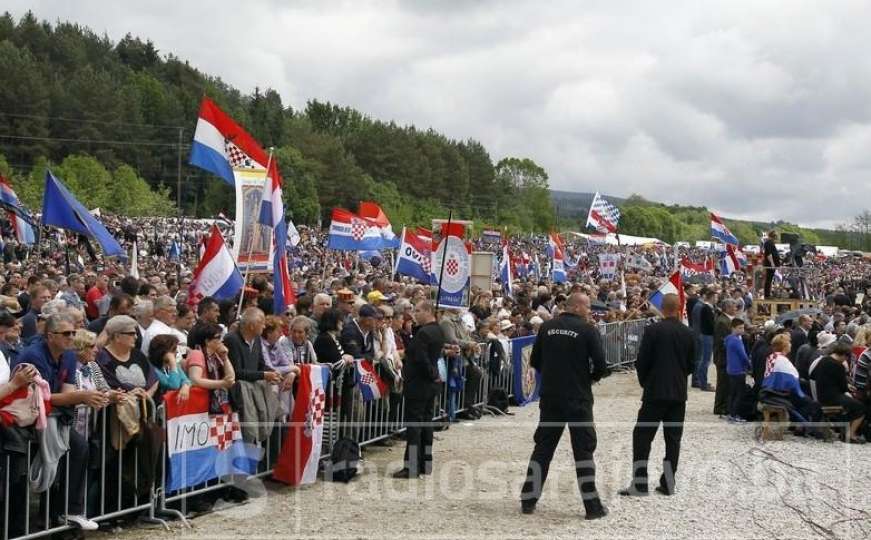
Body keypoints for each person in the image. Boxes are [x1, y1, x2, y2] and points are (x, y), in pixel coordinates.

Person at [11, 313, 106, 531]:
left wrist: (83, 396)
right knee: (68, 453)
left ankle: (68, 511)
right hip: (26, 418)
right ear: (50, 336)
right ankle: (40, 520)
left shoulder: (69, 356)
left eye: (73, 332)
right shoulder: (33, 355)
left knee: (79, 448)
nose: (72, 337)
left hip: (54, 416)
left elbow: (66, 391)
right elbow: (40, 397)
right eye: (66, 333)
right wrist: (81, 397)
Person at [519, 293, 610, 519]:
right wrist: (588, 378)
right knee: (583, 451)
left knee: (543, 448)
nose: (590, 311)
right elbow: (601, 364)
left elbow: (535, 361)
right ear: (577, 307)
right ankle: (592, 507)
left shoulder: (547, 327)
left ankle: (528, 499)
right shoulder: (588, 330)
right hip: (578, 398)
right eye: (588, 307)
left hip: (551, 397)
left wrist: (553, 375)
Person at [619, 293, 695, 497]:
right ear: (679, 308)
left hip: (654, 391)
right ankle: (668, 483)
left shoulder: (653, 331)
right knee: (673, 440)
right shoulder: (688, 333)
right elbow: (691, 365)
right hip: (678, 393)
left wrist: (646, 382)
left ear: (662, 308)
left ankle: (640, 482)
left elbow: (642, 361)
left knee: (642, 436)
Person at [393, 300, 445, 479]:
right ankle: (425, 463)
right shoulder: (437, 330)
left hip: (419, 384)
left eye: (418, 310)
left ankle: (412, 466)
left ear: (428, 311)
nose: (415, 314)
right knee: (427, 423)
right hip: (429, 385)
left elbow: (420, 358)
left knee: (415, 426)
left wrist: (431, 374)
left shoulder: (424, 333)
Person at [809, 342, 866, 443]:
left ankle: (844, 427)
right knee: (860, 408)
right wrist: (849, 387)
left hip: (821, 395)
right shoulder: (838, 366)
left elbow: (813, 376)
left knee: (852, 405)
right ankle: (850, 435)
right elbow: (843, 388)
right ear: (844, 355)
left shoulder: (823, 360)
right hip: (833, 397)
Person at [712, 300, 736, 416]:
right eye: (733, 306)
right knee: (722, 383)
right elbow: (722, 341)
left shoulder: (727, 320)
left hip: (726, 357)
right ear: (727, 308)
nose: (735, 308)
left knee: (725, 382)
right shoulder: (722, 322)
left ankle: (725, 405)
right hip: (722, 357)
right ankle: (719, 407)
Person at [725, 319, 751, 423]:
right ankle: (735, 414)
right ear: (733, 328)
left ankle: (730, 413)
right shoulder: (737, 341)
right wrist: (749, 365)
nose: (742, 330)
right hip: (738, 370)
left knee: (732, 393)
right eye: (739, 328)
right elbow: (743, 356)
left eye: (743, 328)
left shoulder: (728, 339)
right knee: (739, 394)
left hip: (730, 369)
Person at [691, 288, 717, 391]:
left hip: (703, 335)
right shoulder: (701, 307)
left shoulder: (704, 306)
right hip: (703, 335)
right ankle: (700, 380)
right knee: (702, 360)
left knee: (702, 359)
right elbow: (700, 323)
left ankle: (700, 380)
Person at [763, 230, 781, 299]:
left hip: (772, 264)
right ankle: (767, 295)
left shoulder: (771, 243)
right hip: (770, 264)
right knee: (768, 279)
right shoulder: (768, 243)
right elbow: (769, 254)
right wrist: (772, 263)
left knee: (770, 280)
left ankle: (768, 294)